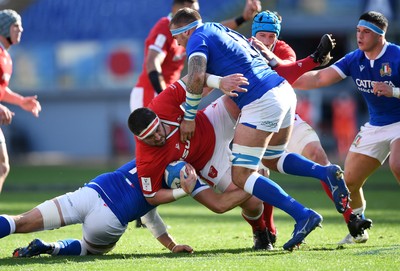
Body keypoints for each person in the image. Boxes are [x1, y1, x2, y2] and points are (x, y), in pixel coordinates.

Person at [169, 7, 350, 251]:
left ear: (187, 30)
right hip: (284, 93)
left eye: (178, 36)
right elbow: (279, 68)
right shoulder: (223, 31)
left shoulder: (197, 38)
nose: (178, 43)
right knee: (272, 159)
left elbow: (196, 76)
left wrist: (189, 116)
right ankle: (324, 173)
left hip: (261, 101)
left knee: (241, 176)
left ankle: (302, 214)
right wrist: (313, 60)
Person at [129, 73, 326, 252]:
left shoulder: (161, 104)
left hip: (211, 121)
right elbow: (152, 196)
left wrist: (220, 83)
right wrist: (183, 191)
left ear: (156, 117)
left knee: (241, 93)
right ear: (139, 139)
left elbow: (197, 78)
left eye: (157, 130)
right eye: (149, 137)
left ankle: (272, 148)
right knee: (253, 201)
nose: (157, 137)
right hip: (207, 162)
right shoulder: (146, 158)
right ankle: (260, 230)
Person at [293, 11, 398, 244]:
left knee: (397, 164)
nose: (360, 36)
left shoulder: (397, 56)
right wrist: (282, 76)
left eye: (366, 32)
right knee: (348, 181)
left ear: (381, 36)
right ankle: (358, 228)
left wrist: (394, 92)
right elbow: (319, 79)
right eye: (358, 31)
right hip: (376, 125)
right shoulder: (355, 58)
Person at [1, 159, 194, 258]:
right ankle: (51, 247)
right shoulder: (158, 191)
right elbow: (150, 219)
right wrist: (172, 246)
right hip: (110, 218)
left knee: (20, 221)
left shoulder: (149, 155)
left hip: (91, 193)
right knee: (88, 249)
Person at [129, 0, 261, 112]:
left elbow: (213, 30)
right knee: (154, 140)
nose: (197, 14)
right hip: (151, 92)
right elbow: (152, 63)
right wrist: (165, 97)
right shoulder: (165, 27)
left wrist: (242, 18)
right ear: (186, 6)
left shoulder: (186, 32)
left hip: (165, 91)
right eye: (195, 9)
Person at [0, 9, 41, 193]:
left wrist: (21, 101)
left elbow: (1, 89)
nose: (21, 29)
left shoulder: (6, 57)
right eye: (16, 25)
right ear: (4, 28)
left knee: (3, 167)